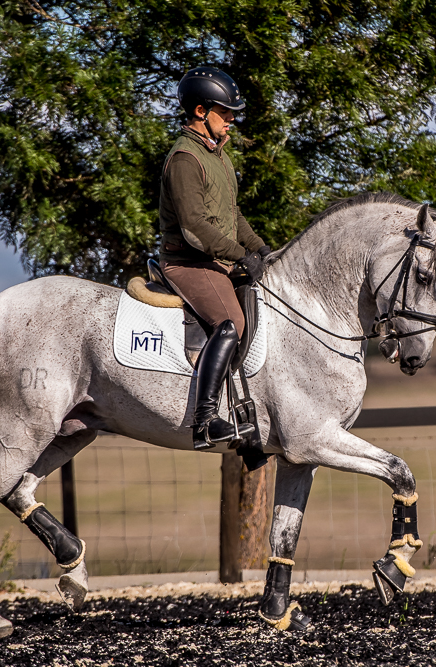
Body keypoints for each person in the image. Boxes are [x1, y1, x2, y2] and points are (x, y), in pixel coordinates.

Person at [158, 66, 271, 451]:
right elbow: (195, 228)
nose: (233, 120)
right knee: (231, 320)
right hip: (188, 262)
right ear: (202, 111)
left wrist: (260, 250)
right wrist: (240, 256)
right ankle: (204, 421)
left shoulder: (218, 156)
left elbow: (231, 214)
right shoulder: (186, 159)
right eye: (227, 112)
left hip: (215, 260)